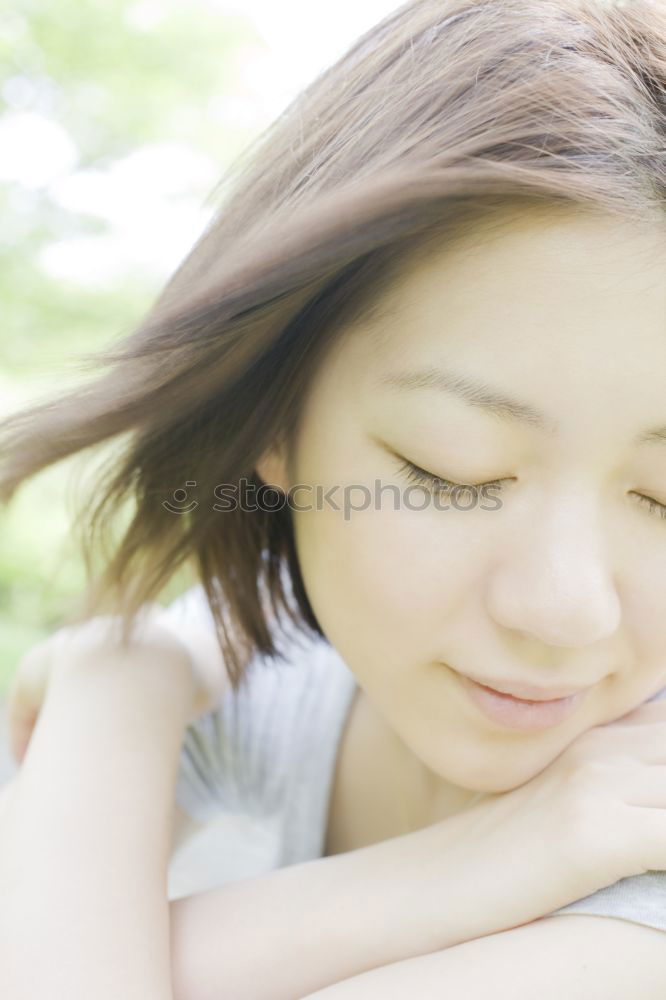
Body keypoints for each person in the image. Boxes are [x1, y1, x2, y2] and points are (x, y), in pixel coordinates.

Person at [1, 0, 666, 996]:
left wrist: (112, 690)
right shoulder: (282, 679)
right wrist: (125, 669)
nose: (568, 606)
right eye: (456, 469)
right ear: (276, 417)